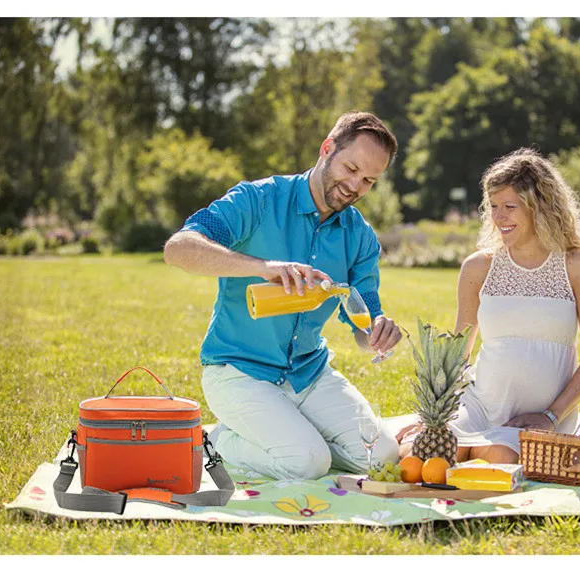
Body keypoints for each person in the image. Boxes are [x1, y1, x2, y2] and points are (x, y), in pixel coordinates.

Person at [163, 111, 402, 480]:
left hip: (309, 373)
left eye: (369, 180)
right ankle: (211, 441)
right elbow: (178, 248)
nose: (355, 185)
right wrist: (261, 267)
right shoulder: (258, 200)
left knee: (383, 457)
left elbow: (363, 320)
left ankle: (290, 436)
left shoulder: (360, 237)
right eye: (351, 168)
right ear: (327, 149)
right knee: (307, 463)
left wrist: (376, 333)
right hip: (238, 372)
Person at [397, 147, 580, 463]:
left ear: (541, 207)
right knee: (416, 453)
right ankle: (457, 447)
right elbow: (458, 353)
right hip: (479, 406)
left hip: (542, 419)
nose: (499, 217)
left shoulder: (577, 265)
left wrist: (550, 416)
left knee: (496, 458)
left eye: (510, 206)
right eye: (493, 206)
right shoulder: (478, 267)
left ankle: (469, 453)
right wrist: (433, 419)